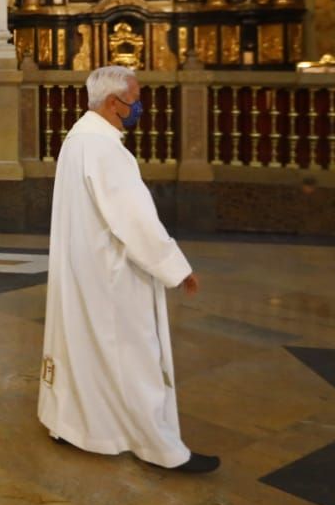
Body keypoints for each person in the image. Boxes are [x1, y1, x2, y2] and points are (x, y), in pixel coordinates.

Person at [39, 65, 217, 473]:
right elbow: (135, 220)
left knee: (85, 349)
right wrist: (176, 267)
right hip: (113, 274)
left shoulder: (78, 137)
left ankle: (75, 424)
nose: (140, 106)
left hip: (84, 269)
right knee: (134, 356)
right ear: (113, 104)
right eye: (135, 99)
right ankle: (161, 447)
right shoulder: (103, 148)